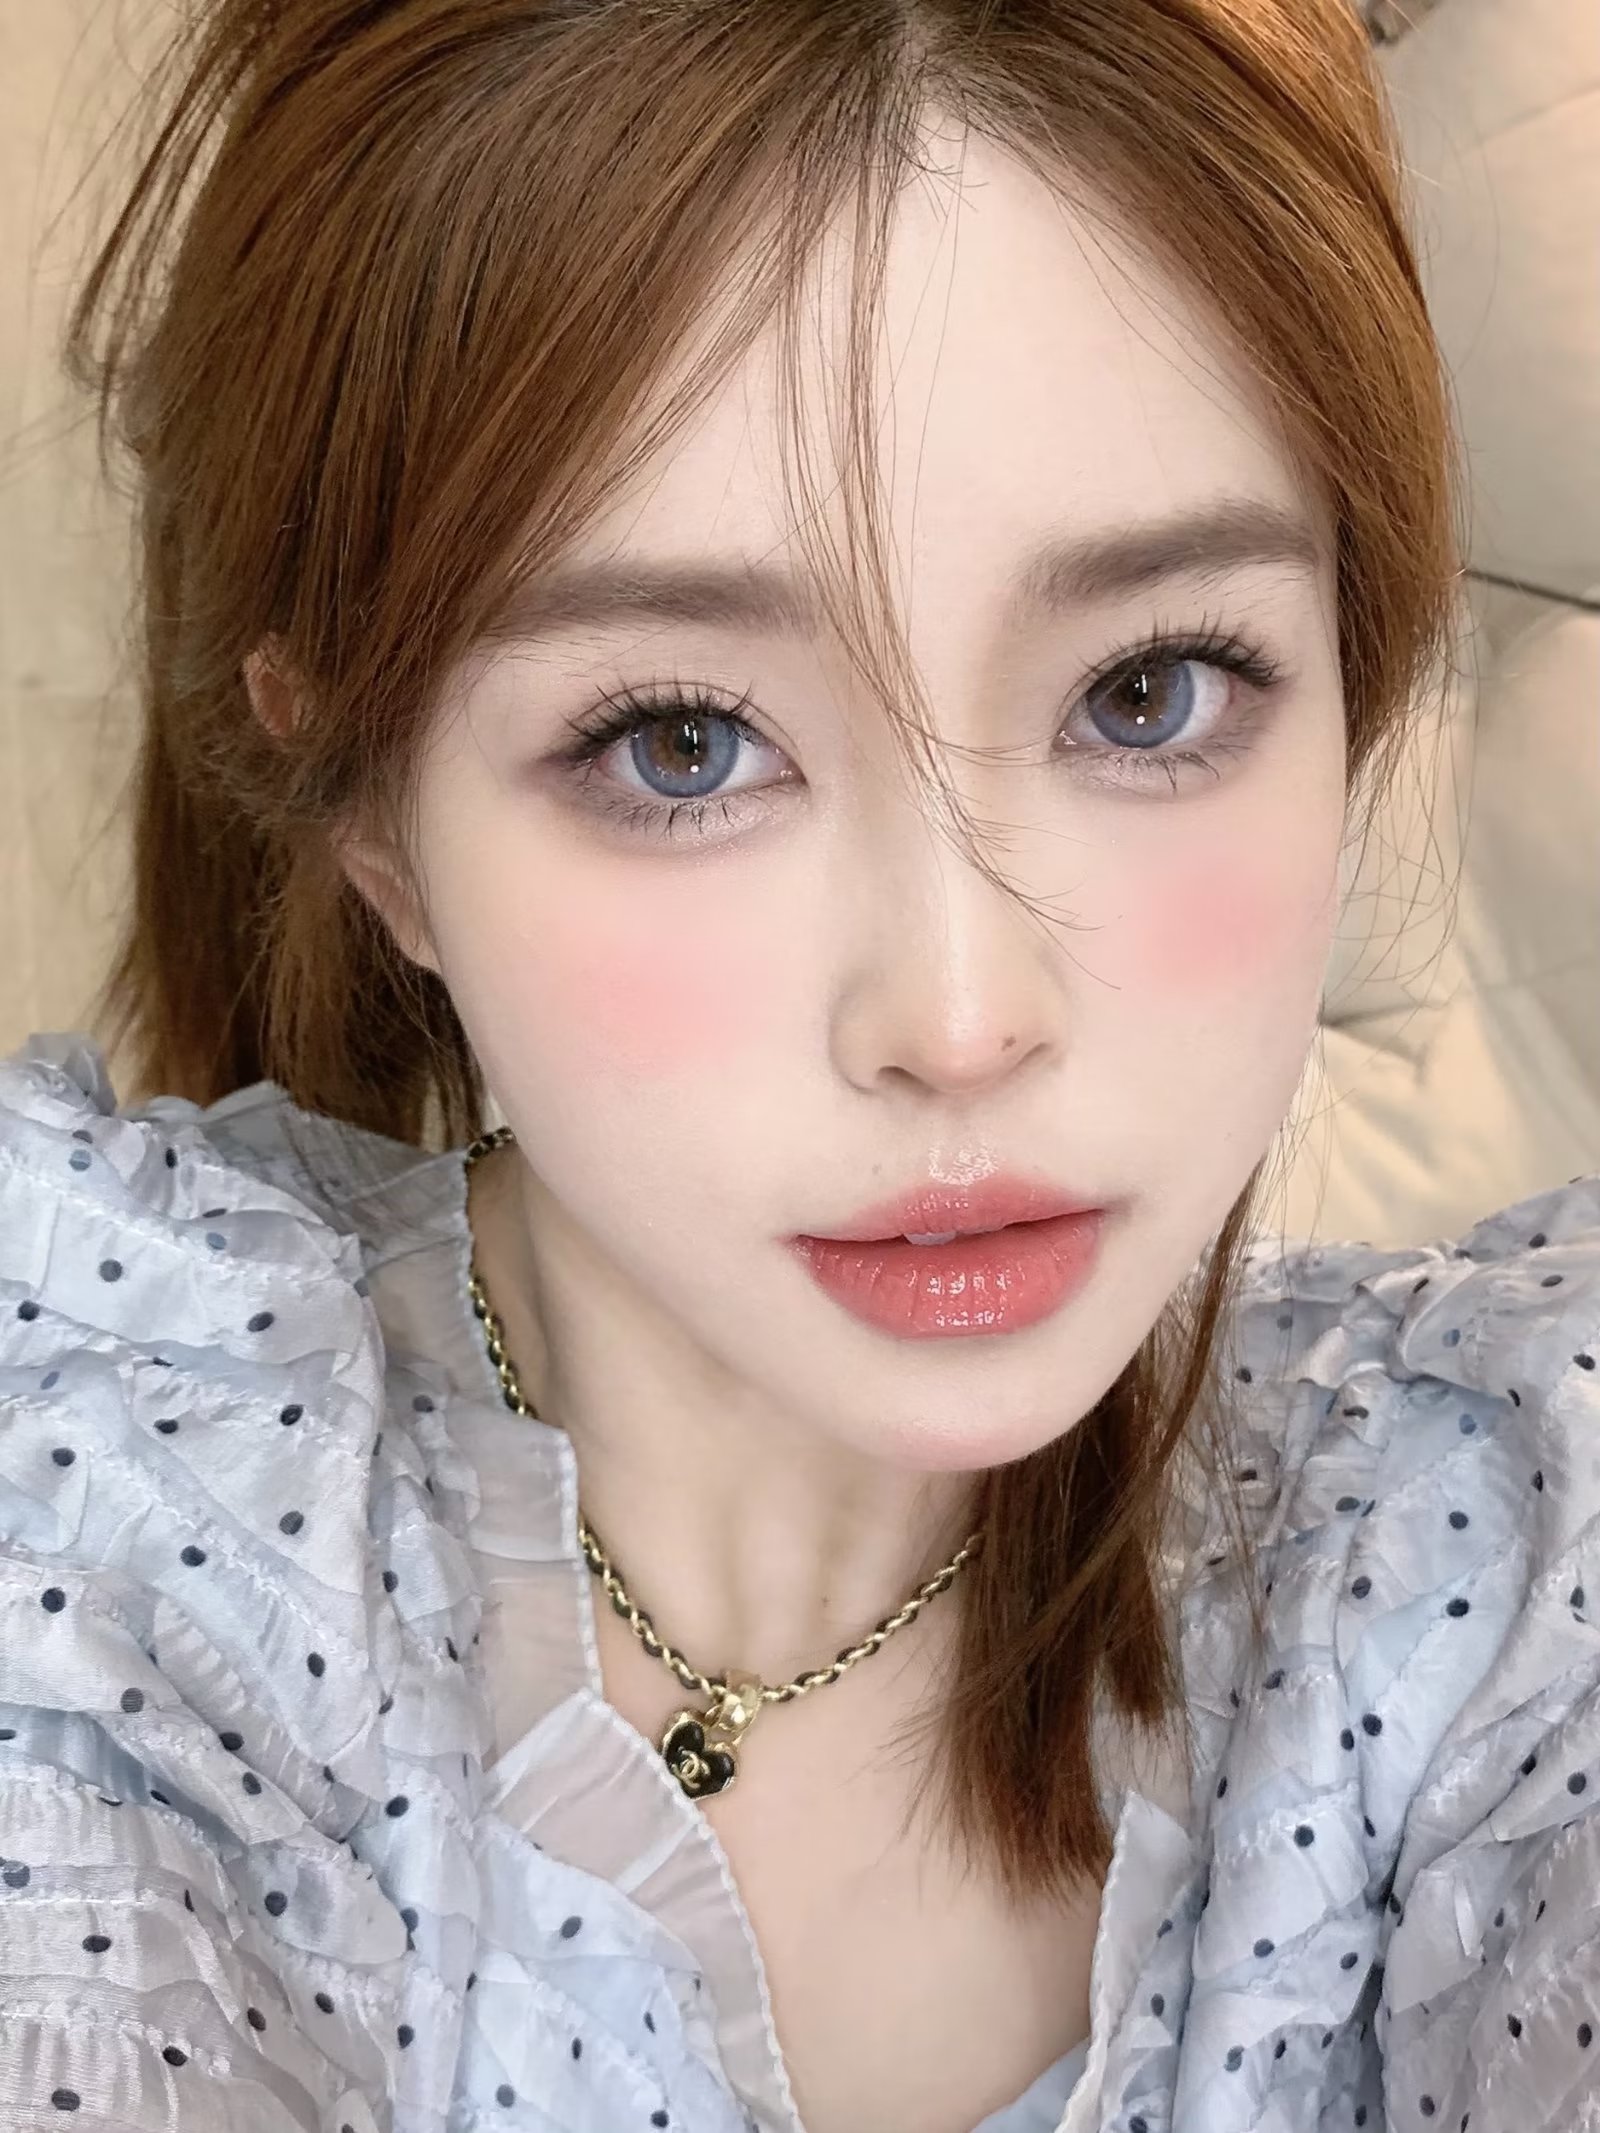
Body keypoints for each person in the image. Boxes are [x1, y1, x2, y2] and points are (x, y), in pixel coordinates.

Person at [0, 2, 1596, 2128]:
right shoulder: (97, 1511)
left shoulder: (1489, 1564)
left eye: (1148, 690)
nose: (960, 1015)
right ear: (377, 819)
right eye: (680, 744)